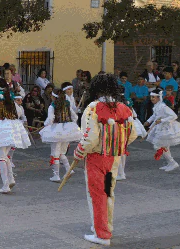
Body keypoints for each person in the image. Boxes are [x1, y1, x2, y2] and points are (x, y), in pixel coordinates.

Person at [72, 74, 138, 246]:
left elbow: (90, 137)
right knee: (108, 192)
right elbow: (133, 133)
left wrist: (79, 152)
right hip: (114, 157)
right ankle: (107, 227)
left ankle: (101, 233)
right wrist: (117, 146)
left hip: (96, 158)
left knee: (96, 195)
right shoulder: (123, 107)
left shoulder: (93, 108)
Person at [0, 78, 31, 194]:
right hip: (13, 126)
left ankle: (6, 184)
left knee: (0, 156)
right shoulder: (10, 95)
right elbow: (18, 112)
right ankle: (11, 179)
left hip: (0, 126)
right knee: (5, 156)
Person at [39, 88, 81, 182]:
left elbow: (50, 119)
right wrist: (71, 125)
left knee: (55, 153)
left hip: (56, 130)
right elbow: (75, 116)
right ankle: (69, 169)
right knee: (62, 152)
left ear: (53, 96)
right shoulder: (67, 104)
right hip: (67, 129)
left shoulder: (52, 106)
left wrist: (45, 125)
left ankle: (56, 175)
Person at [144, 88, 180, 172]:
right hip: (160, 127)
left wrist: (162, 120)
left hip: (167, 128)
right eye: (151, 97)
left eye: (153, 97)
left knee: (158, 145)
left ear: (158, 98)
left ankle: (172, 162)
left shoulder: (163, 106)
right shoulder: (156, 106)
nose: (152, 99)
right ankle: (170, 162)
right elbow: (155, 115)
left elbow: (173, 116)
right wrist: (148, 121)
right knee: (164, 146)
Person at [117, 98, 148, 180]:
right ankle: (121, 172)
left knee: (119, 152)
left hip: (124, 130)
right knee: (122, 151)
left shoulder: (119, 108)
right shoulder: (127, 107)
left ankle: (121, 173)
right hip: (129, 130)